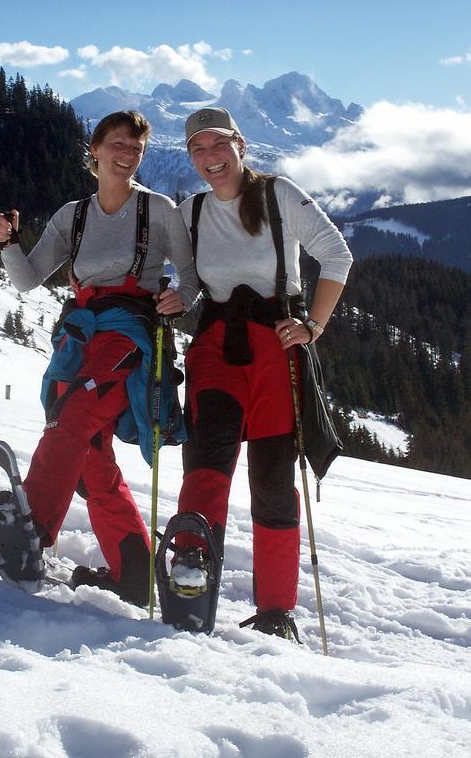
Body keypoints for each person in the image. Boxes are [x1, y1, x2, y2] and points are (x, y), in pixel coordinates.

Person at [0, 110, 199, 607]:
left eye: (137, 150)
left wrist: (181, 297)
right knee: (92, 457)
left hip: (127, 336)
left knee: (74, 417)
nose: (128, 157)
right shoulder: (73, 216)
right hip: (79, 337)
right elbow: (27, 277)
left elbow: (191, 274)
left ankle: (33, 528)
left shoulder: (158, 211)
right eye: (120, 146)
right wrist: (8, 244)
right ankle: (134, 573)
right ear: (96, 149)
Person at [174, 107, 352, 639]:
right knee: (207, 459)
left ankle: (277, 611)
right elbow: (179, 276)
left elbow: (337, 257)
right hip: (215, 350)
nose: (210, 158)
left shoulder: (279, 196)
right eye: (198, 149)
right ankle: (190, 575)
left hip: (276, 351)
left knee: (273, 476)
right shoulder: (193, 212)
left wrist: (313, 325)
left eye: (218, 145)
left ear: (240, 145)